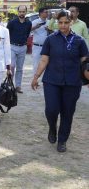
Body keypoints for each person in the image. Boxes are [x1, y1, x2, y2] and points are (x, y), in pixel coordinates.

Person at [31, 11, 88, 152]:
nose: (63, 25)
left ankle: (62, 140)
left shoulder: (79, 41)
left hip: (72, 82)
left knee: (67, 112)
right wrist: (36, 76)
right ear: (57, 22)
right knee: (51, 109)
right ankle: (52, 128)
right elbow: (44, 59)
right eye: (60, 22)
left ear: (71, 22)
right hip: (52, 80)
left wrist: (86, 78)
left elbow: (85, 62)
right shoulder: (50, 39)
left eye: (66, 22)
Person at [6, 5, 32, 93]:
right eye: (20, 12)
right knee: (11, 66)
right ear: (18, 12)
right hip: (12, 46)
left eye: (23, 12)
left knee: (20, 68)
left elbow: (28, 33)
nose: (21, 13)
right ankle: (10, 85)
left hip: (23, 47)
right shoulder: (12, 22)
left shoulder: (29, 23)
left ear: (26, 12)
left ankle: (18, 86)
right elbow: (7, 34)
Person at [31, 7, 49, 75]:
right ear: (41, 13)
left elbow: (54, 33)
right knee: (36, 64)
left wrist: (49, 30)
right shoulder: (35, 22)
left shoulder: (49, 22)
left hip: (47, 46)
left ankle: (45, 81)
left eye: (47, 12)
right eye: (46, 12)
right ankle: (35, 81)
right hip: (37, 46)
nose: (47, 13)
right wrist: (36, 27)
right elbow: (28, 30)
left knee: (47, 64)